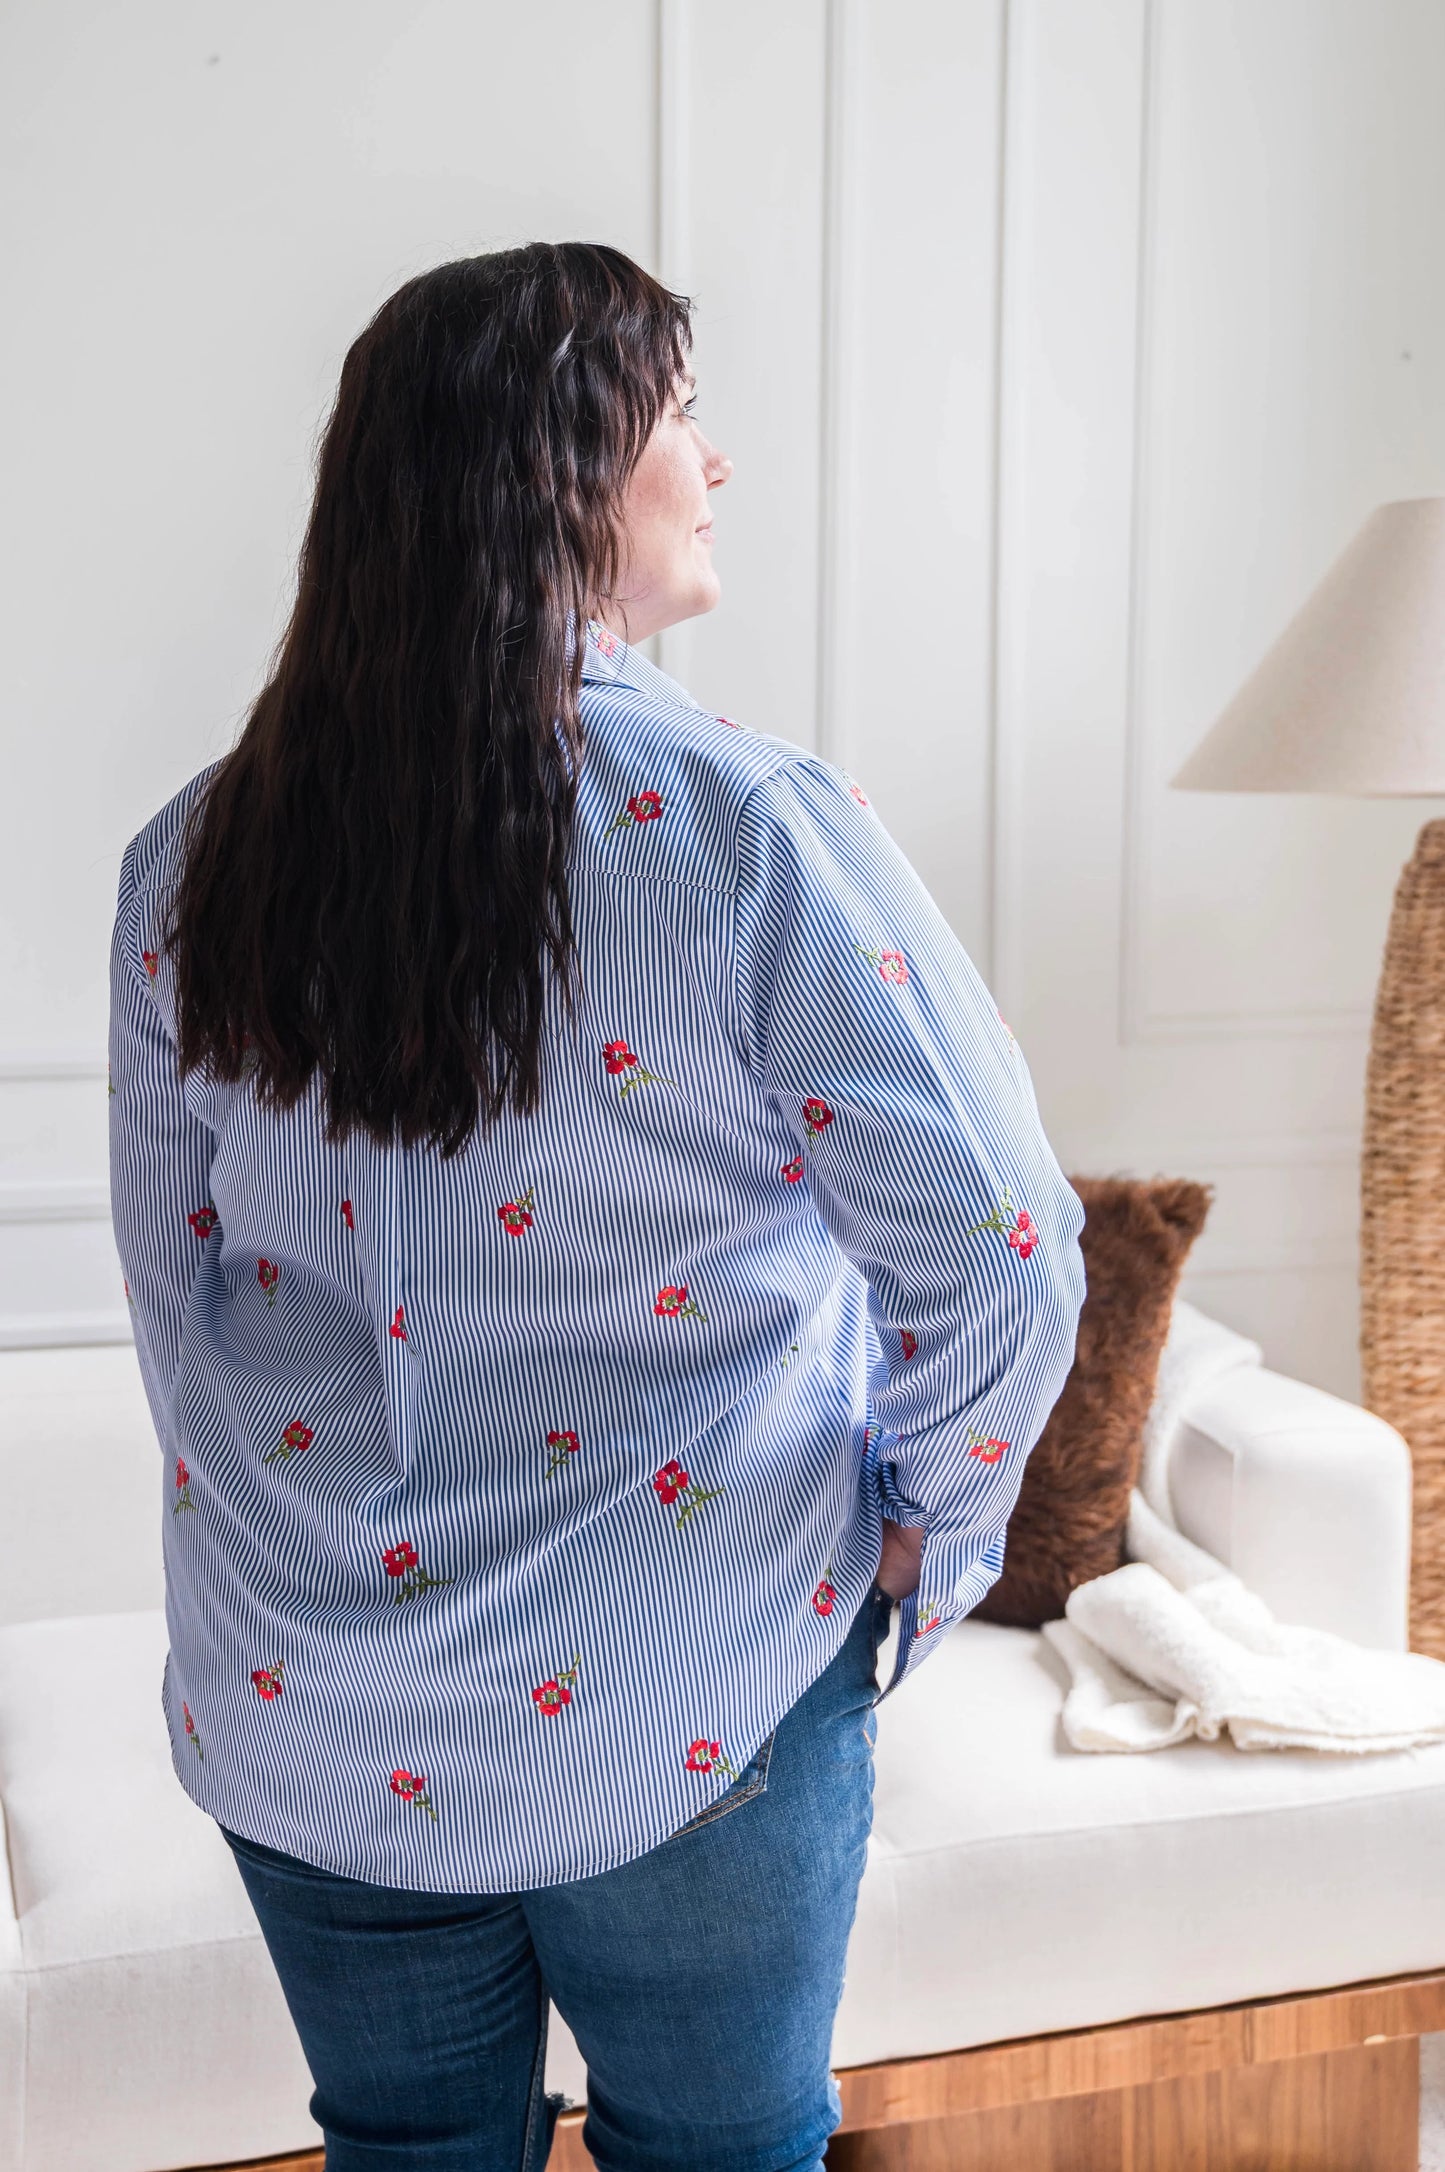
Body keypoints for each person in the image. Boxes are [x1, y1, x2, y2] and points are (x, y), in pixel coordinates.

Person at [108, 239, 1087, 2172]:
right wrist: (926, 1525)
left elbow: (174, 1289)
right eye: (686, 421)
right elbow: (997, 1254)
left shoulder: (187, 859)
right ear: (563, 468)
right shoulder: (740, 827)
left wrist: (284, 1568)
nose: (717, 469)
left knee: (400, 2150)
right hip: (696, 1685)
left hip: (309, 1713)